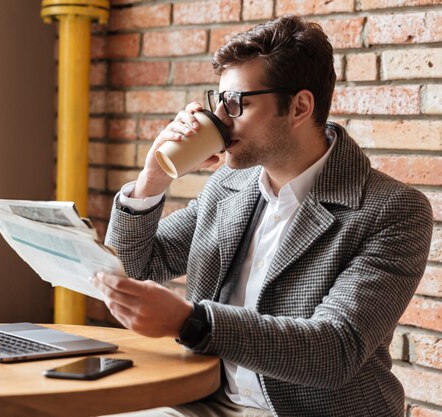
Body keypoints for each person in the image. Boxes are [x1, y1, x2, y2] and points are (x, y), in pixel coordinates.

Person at [90, 15, 434, 417]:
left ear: (300, 107)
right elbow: (135, 265)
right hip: (207, 400)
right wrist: (152, 178)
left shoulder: (392, 210)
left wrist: (192, 322)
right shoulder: (229, 188)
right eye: (218, 100)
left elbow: (336, 349)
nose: (220, 117)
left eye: (237, 102)